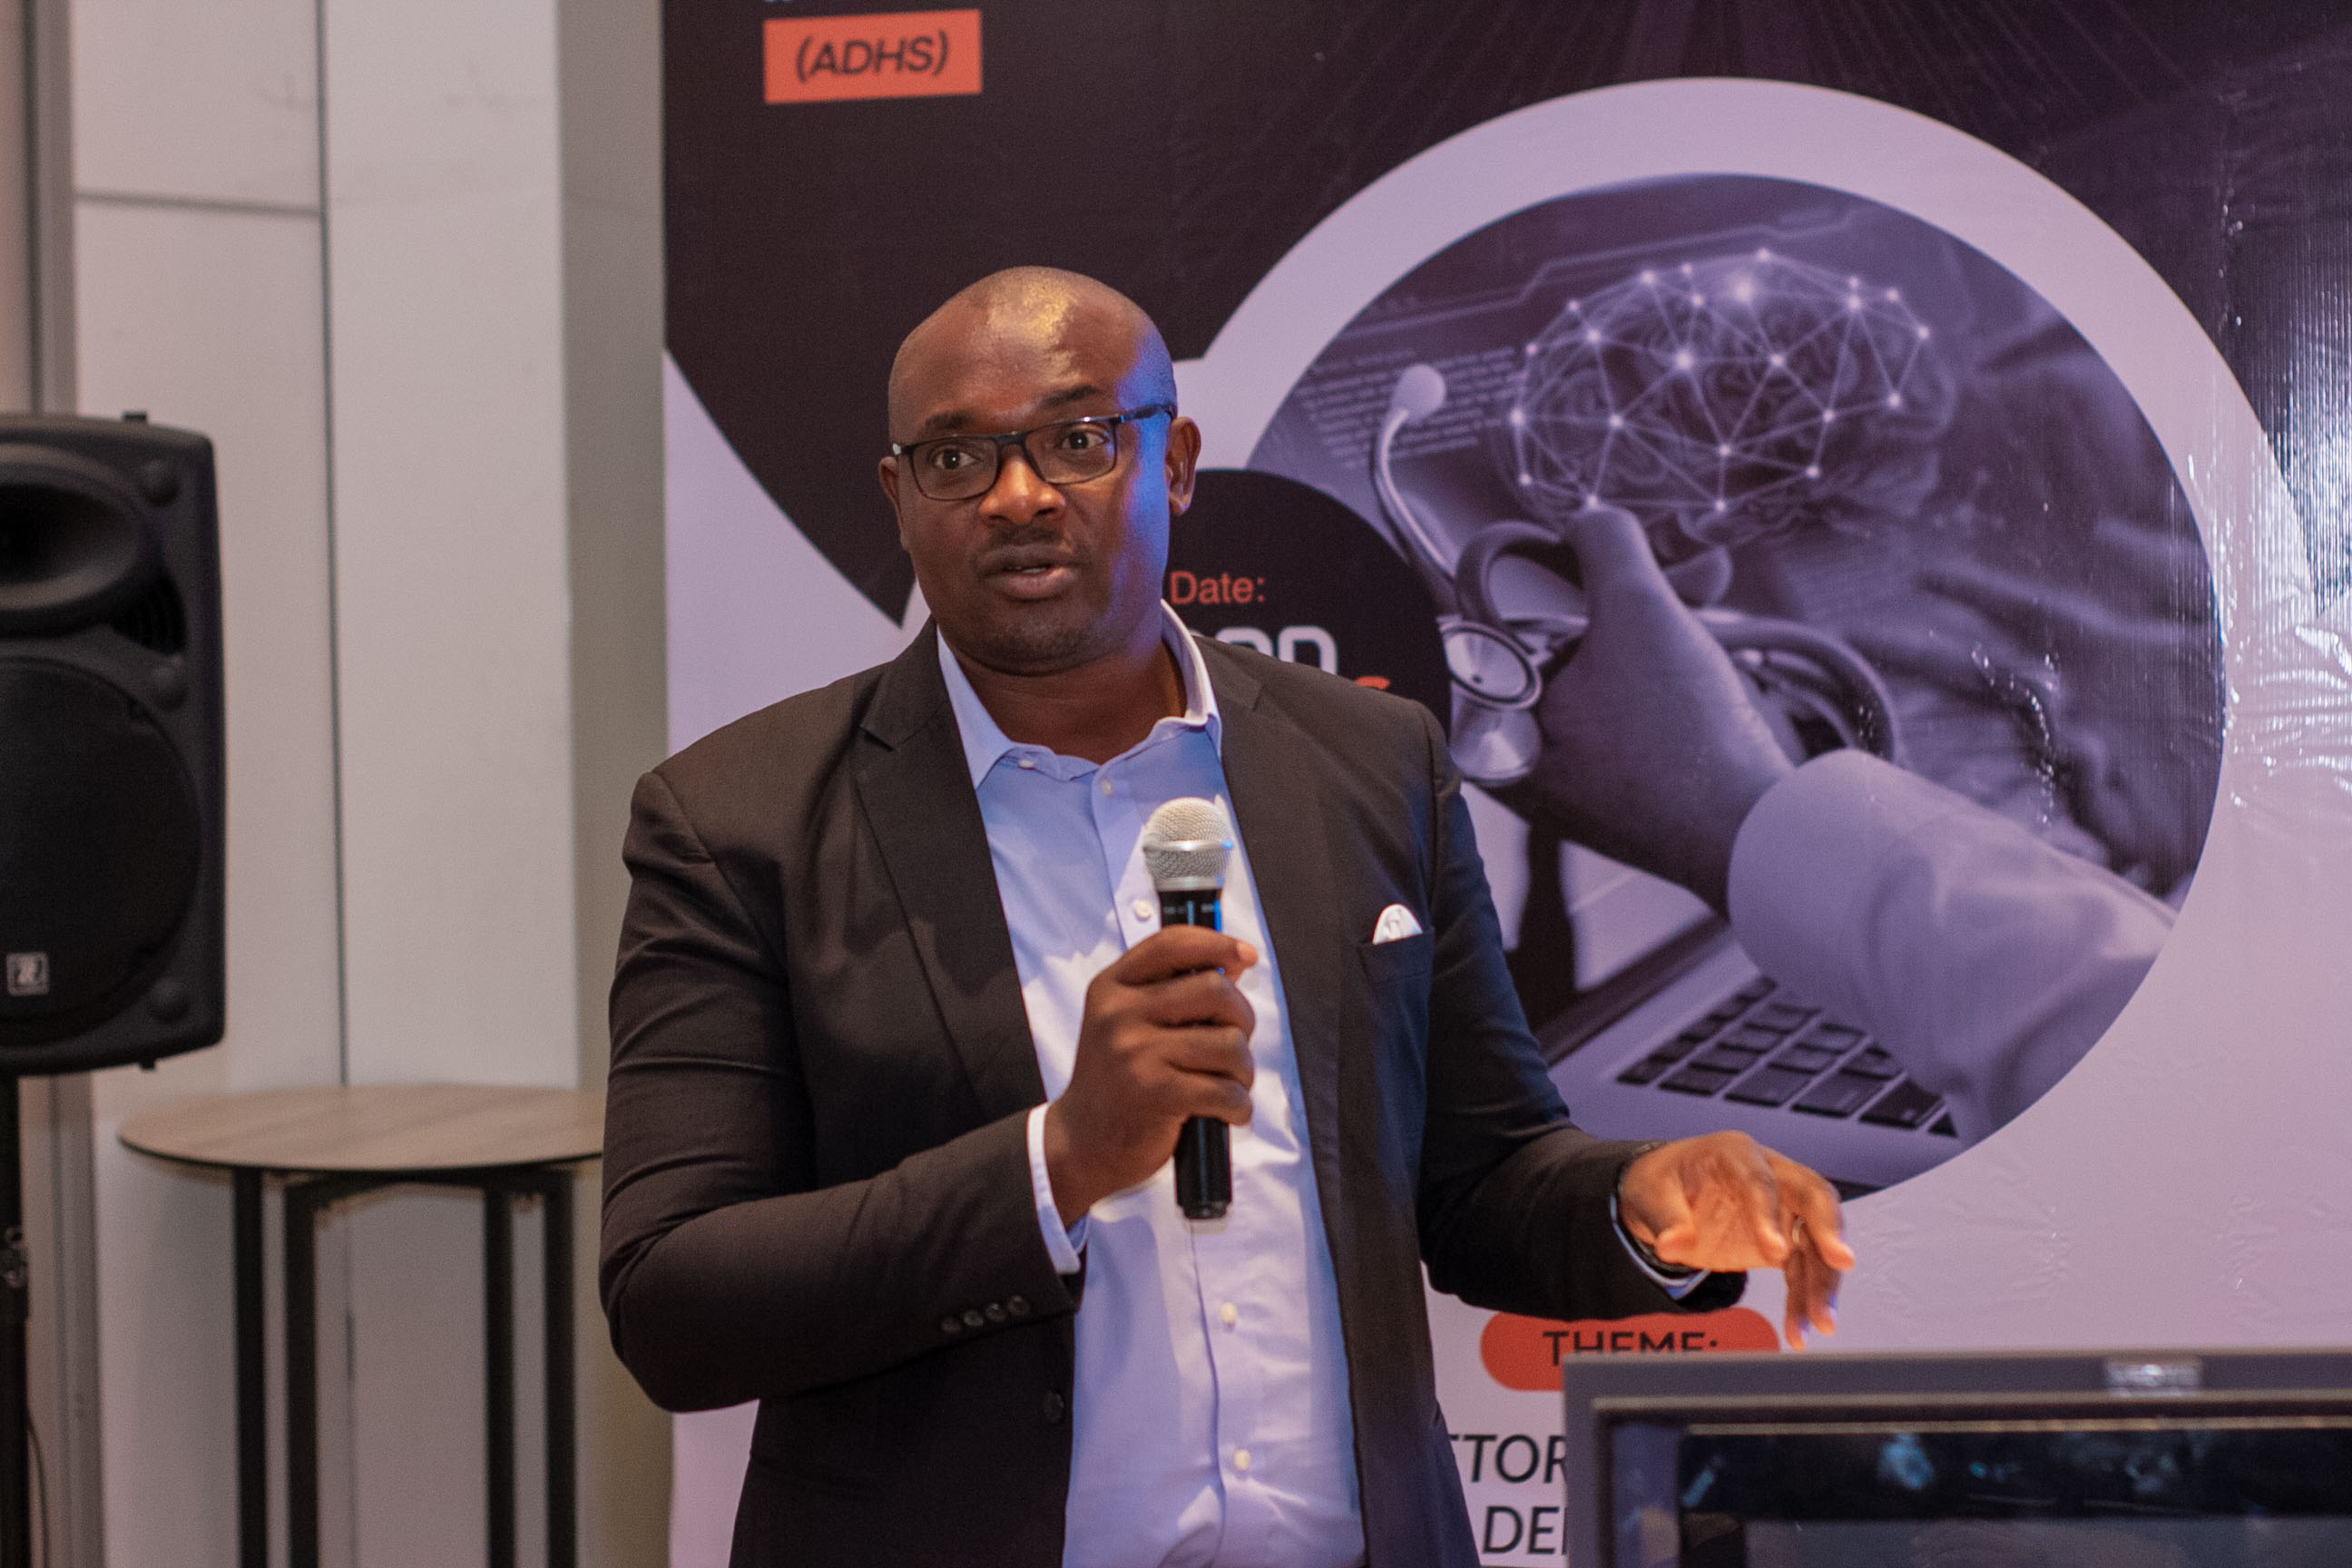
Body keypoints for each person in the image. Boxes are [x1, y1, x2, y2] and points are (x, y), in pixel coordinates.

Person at [599, 267, 1853, 1567]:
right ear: (899, 497)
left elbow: (1481, 1179)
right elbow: (674, 1304)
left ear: (1177, 461)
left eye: (1078, 438)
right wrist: (1058, 1161)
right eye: (957, 457)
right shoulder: (742, 824)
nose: (1018, 495)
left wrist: (1640, 1204)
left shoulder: (1371, 761)